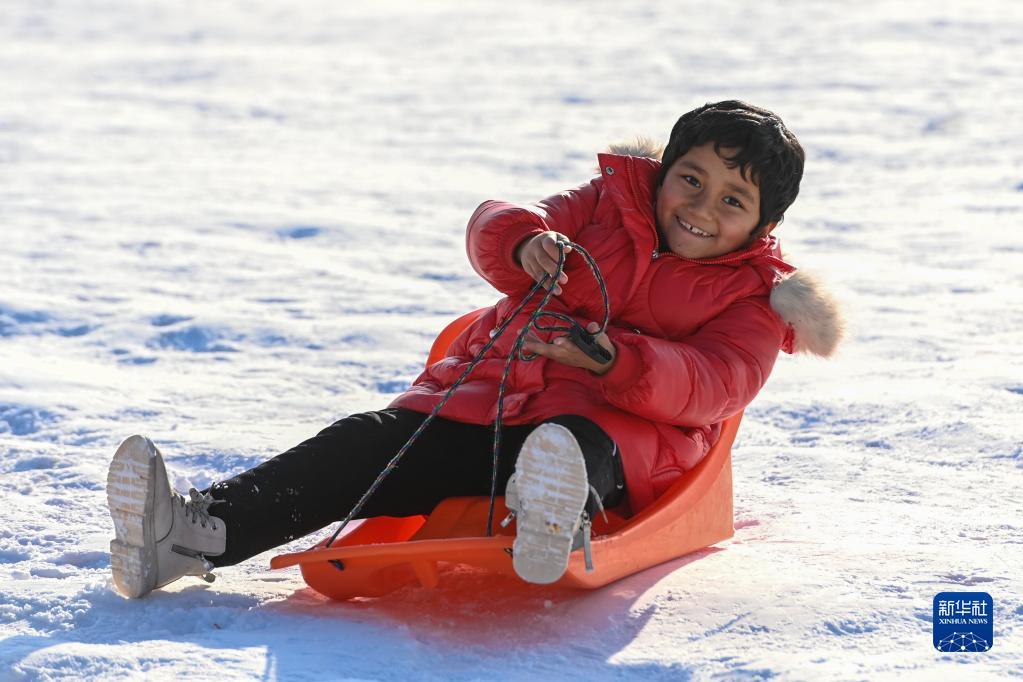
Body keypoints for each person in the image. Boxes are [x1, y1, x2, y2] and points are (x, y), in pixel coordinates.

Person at [106, 100, 843, 598]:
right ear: (662, 172)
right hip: (483, 405)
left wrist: (617, 364)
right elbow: (495, 223)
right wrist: (525, 242)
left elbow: (716, 383)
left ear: (761, 224)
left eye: (730, 201)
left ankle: (551, 512)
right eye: (690, 179)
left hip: (622, 436)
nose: (700, 208)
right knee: (365, 443)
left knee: (568, 443)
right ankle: (193, 532)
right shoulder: (601, 207)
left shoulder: (753, 297)